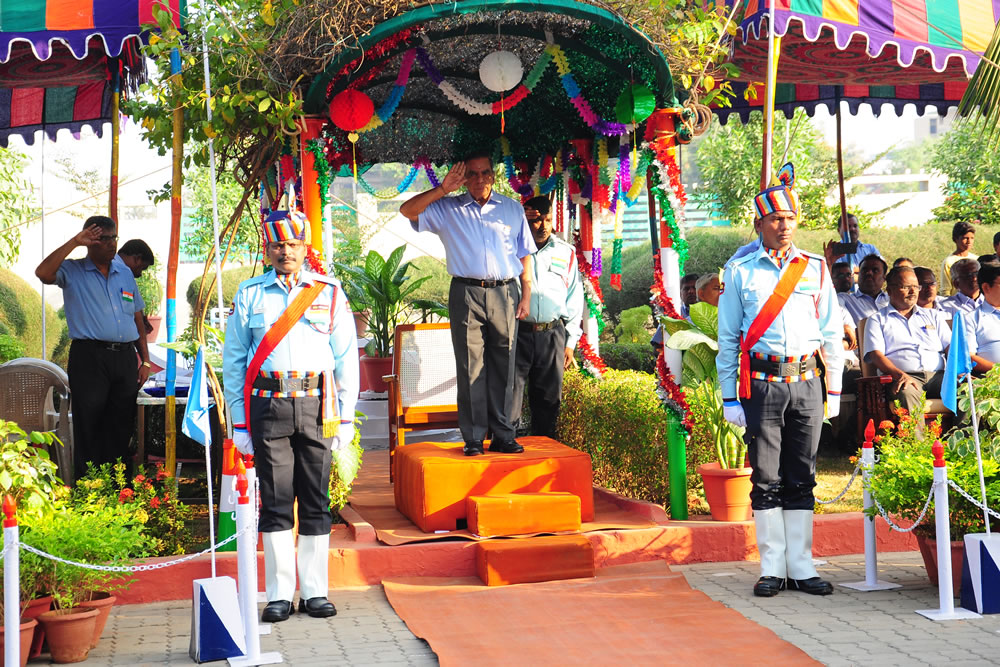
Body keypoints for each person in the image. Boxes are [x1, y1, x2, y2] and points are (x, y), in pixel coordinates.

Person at [222, 210, 359, 623]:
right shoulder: (249, 294)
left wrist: (347, 417)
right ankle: (280, 594)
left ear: (306, 248)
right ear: (268, 248)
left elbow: (346, 358)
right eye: (278, 244)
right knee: (277, 501)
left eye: (294, 244)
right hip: (268, 405)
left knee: (316, 499)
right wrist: (239, 423)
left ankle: (315, 591)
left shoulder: (330, 292)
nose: (286, 252)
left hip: (318, 406)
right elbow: (233, 362)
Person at [717, 163, 843, 598]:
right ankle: (771, 567)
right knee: (766, 477)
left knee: (802, 476)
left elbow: (831, 332)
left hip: (807, 381)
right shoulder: (740, 271)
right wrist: (729, 397)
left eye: (790, 218)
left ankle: (801, 567)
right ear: (759, 224)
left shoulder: (815, 269)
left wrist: (837, 389)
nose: (784, 225)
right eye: (775, 218)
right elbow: (729, 337)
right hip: (763, 385)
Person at [400, 152, 535, 456]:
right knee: (470, 366)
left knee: (506, 364)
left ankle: (503, 434)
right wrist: (442, 189)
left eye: (484, 173)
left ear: (493, 176)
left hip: (506, 292)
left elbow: (525, 253)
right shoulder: (448, 207)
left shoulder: (512, 210)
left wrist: (526, 294)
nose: (478, 180)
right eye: (471, 174)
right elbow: (407, 210)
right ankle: (473, 438)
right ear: (462, 177)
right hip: (466, 292)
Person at [35, 216, 151, 481]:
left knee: (121, 424)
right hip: (90, 356)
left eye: (114, 238)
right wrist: (74, 242)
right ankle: (89, 488)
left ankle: (118, 486)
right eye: (104, 239)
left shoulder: (124, 272)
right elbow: (43, 273)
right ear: (89, 240)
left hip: (123, 357)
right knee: (90, 423)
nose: (111, 245)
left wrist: (144, 361)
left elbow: (136, 317)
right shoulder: (73, 270)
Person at [511, 196, 583, 438]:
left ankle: (545, 458)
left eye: (548, 219)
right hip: (517, 335)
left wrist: (570, 342)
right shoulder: (511, 251)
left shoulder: (567, 252)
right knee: (510, 402)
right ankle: (506, 457)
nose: (543, 226)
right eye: (536, 220)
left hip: (552, 336)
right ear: (525, 220)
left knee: (549, 406)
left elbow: (574, 298)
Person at [863, 266, 950, 415]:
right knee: (908, 394)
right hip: (903, 377)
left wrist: (958, 371)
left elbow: (951, 347)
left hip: (939, 376)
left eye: (916, 286)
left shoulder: (933, 316)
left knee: (968, 389)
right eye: (906, 287)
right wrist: (900, 375)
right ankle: (918, 439)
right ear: (890, 291)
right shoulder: (877, 320)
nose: (913, 292)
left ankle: (963, 437)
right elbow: (876, 356)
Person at [118, 239, 155, 336]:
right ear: (137, 259)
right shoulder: (115, 270)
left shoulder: (127, 276)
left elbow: (136, 311)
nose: (140, 274)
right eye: (142, 268)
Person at [967, 262, 1000, 373]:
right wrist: (997, 371)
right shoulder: (971, 319)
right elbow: (969, 357)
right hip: (992, 380)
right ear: (986, 287)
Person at [838, 255, 889, 326]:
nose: (869, 273)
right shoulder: (845, 300)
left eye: (875, 270)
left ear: (884, 277)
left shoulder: (892, 300)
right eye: (864, 270)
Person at [942, 221, 978, 295]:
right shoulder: (949, 262)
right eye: (965, 238)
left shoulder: (976, 260)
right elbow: (945, 290)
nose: (969, 241)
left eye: (972, 238)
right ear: (955, 239)